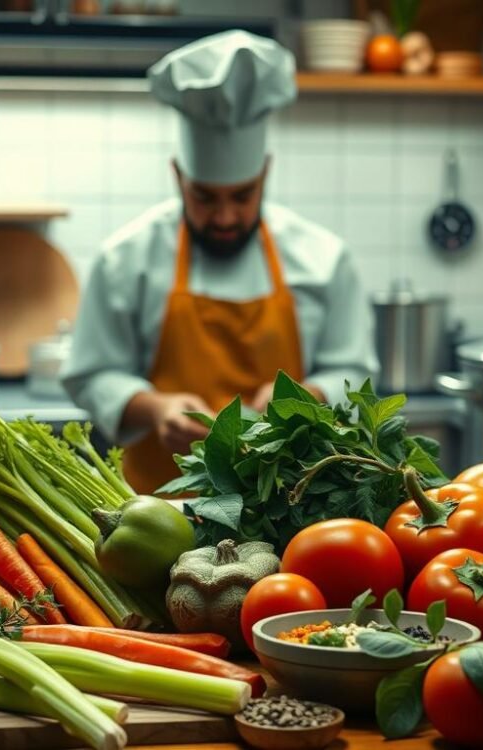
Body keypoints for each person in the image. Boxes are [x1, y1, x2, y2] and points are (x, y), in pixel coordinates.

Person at [63, 30, 378, 494]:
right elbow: (92, 375)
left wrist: (304, 398)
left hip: (286, 507)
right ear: (178, 177)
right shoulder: (125, 259)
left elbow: (353, 374)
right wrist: (156, 409)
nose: (225, 216)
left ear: (265, 173)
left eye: (243, 196)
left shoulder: (324, 259)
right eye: (205, 198)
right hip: (160, 511)